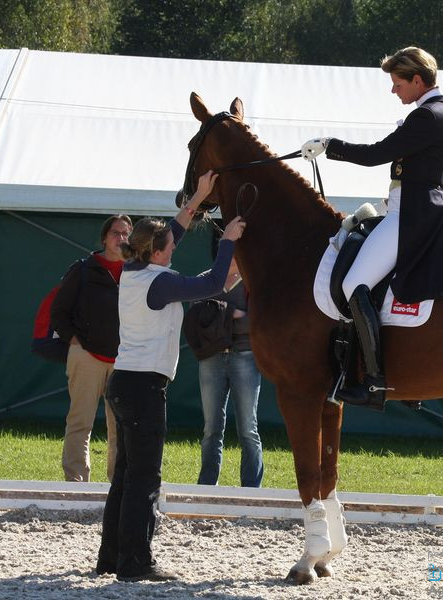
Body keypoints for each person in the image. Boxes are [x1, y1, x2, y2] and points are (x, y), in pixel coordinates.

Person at [96, 171, 246, 582]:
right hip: (144, 387)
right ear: (158, 253)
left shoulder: (134, 271)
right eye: (170, 248)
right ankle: (135, 563)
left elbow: (172, 235)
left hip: (125, 382)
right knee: (144, 478)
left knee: (125, 477)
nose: (173, 249)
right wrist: (228, 238)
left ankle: (111, 558)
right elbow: (213, 281)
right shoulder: (159, 283)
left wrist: (197, 197)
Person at [301, 46, 443, 411]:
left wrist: (330, 145)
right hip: (414, 210)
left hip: (411, 216)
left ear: (417, 80)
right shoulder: (442, 113)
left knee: (353, 284)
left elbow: (377, 154)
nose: (394, 91)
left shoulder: (428, 116)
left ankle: (373, 381)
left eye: (397, 83)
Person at [51, 214, 133, 482]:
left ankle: (117, 484)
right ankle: (76, 483)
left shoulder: (137, 272)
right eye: (115, 233)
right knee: (80, 422)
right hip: (86, 356)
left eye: (126, 233)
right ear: (104, 238)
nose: (121, 238)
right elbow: (59, 311)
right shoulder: (84, 268)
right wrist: (75, 341)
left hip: (124, 361)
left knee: (120, 427)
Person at [193, 256, 264, 488]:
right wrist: (233, 314)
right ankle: (206, 485)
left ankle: (252, 489)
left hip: (245, 356)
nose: (233, 252)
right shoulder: (207, 278)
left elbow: (256, 323)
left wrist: (219, 314)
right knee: (211, 428)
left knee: (248, 429)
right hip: (211, 358)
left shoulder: (254, 280)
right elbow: (197, 318)